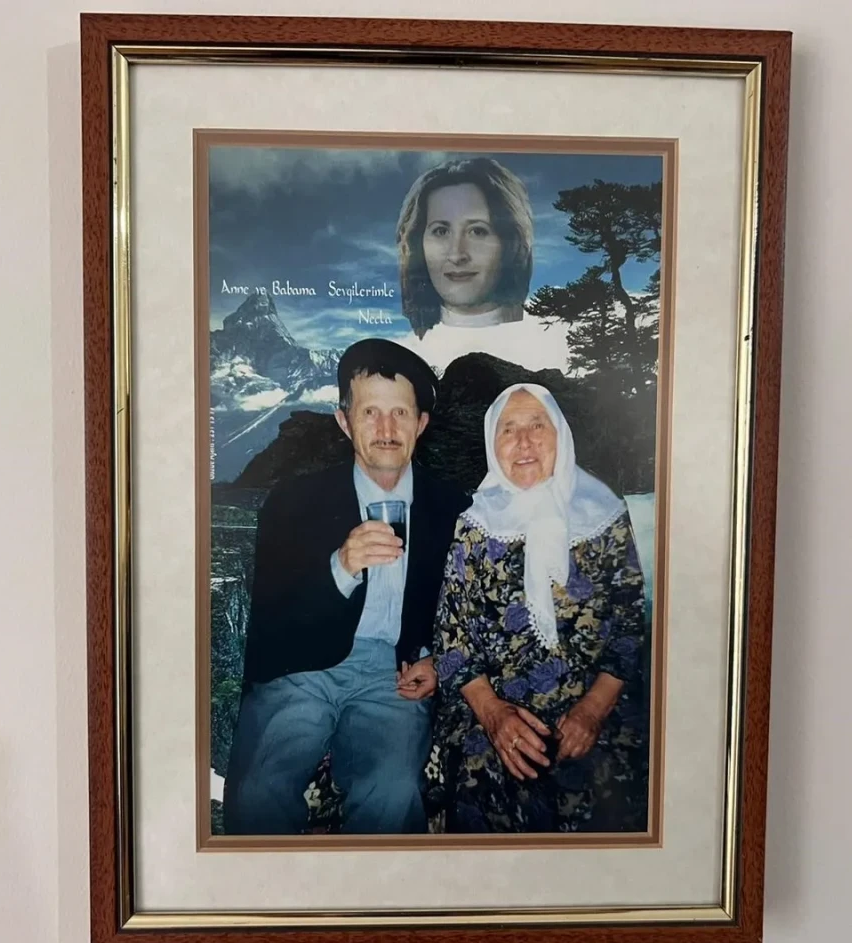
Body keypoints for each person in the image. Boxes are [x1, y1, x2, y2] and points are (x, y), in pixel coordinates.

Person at [224, 338, 472, 835]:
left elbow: (469, 613)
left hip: (395, 674)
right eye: (369, 412)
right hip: (301, 668)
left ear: (420, 424)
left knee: (392, 793)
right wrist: (340, 567)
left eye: (400, 413)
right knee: (257, 793)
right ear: (344, 421)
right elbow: (272, 617)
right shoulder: (292, 502)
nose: (386, 429)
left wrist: (436, 662)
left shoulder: (455, 509)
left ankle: (375, 888)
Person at [423, 383, 650, 833]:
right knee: (483, 788)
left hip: (593, 704)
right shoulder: (474, 525)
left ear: (560, 435)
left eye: (537, 425)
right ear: (493, 444)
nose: (524, 441)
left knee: (615, 793)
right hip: (492, 708)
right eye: (508, 429)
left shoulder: (605, 516)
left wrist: (592, 711)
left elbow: (628, 629)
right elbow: (453, 640)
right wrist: (494, 716)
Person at [395, 157, 569, 374]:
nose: (457, 254)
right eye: (441, 231)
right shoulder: (403, 352)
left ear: (510, 243)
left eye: (477, 231)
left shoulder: (550, 344)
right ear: (418, 242)